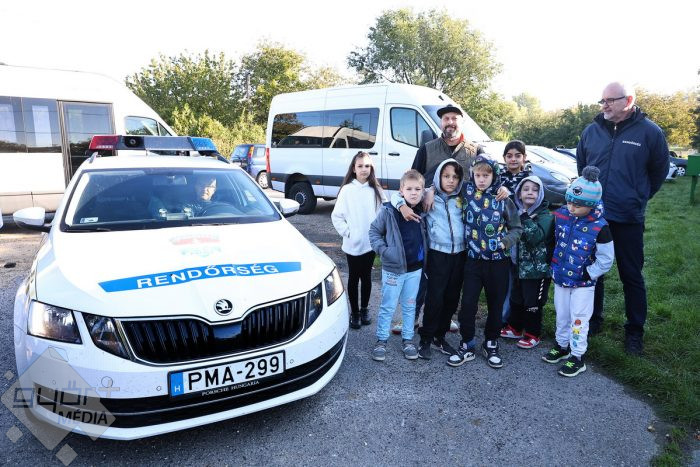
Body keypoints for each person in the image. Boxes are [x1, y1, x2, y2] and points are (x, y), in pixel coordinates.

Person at [576, 81, 669, 355]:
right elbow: (582, 167)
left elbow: (659, 171)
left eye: (610, 100)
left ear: (628, 101)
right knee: (593, 271)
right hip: (595, 217)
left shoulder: (650, 133)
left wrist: (639, 197)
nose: (604, 105)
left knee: (631, 275)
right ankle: (593, 321)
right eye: (602, 100)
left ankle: (634, 332)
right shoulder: (591, 131)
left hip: (628, 217)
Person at [448, 156, 522, 369]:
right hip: (473, 261)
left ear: (494, 176)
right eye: (478, 175)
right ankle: (467, 344)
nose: (481, 179)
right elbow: (444, 186)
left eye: (486, 175)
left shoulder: (503, 198)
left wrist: (504, 243)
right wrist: (430, 191)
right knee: (468, 304)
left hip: (498, 262)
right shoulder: (466, 191)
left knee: (495, 305)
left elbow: (517, 228)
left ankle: (491, 343)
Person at [543, 166, 614, 376]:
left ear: (590, 205)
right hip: (561, 277)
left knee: (578, 319)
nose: (572, 207)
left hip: (583, 284)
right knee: (562, 315)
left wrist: (589, 273)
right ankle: (562, 345)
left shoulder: (601, 227)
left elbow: (606, 259)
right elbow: (552, 241)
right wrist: (553, 264)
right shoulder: (561, 216)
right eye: (569, 202)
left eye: (578, 205)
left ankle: (577, 356)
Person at [368, 170, 427, 361]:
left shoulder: (423, 210)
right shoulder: (389, 211)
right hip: (393, 269)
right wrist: (384, 251)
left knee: (410, 306)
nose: (413, 193)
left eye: (417, 189)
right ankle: (381, 340)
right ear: (401, 191)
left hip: (415, 270)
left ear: (423, 191)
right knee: (388, 306)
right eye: (409, 189)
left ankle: (408, 340)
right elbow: (374, 231)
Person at [415, 159, 465, 360]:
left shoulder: (463, 198)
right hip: (437, 255)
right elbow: (400, 195)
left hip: (460, 255)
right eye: (446, 176)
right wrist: (429, 190)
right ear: (438, 177)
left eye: (455, 177)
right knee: (435, 298)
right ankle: (426, 338)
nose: (451, 180)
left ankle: (440, 336)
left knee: (451, 299)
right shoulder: (428, 197)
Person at [331, 151, 385, 330]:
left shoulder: (376, 190)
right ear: (354, 169)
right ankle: (354, 312)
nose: (364, 169)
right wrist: (348, 233)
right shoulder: (347, 190)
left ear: (371, 168)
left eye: (367, 166)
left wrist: (379, 235)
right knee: (354, 277)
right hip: (352, 244)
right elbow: (337, 216)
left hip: (370, 244)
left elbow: (384, 213)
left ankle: (364, 309)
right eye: (360, 166)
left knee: (366, 276)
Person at [500, 176, 554, 349]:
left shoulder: (545, 215)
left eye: (535, 190)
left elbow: (536, 237)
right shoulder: (515, 211)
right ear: (519, 194)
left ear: (541, 194)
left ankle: (532, 333)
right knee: (516, 298)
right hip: (518, 266)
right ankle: (515, 327)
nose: (530, 192)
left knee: (533, 303)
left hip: (537, 270)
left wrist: (524, 216)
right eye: (526, 189)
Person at [500, 140, 534, 321]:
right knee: (503, 276)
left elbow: (533, 200)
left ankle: (511, 318)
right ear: (504, 158)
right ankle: (501, 315)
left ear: (524, 157)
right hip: (500, 230)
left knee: (516, 277)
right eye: (509, 156)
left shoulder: (529, 179)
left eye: (517, 156)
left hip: (520, 231)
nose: (513, 159)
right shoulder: (498, 176)